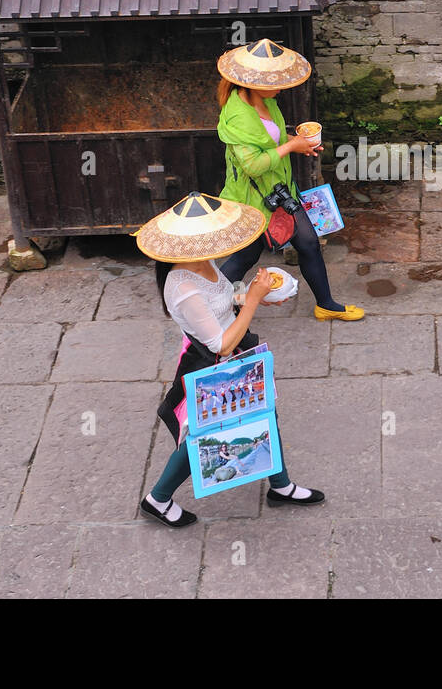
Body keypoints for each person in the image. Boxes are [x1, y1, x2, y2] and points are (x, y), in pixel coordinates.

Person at [134, 190, 325, 529]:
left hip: (237, 353)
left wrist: (255, 296)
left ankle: (281, 486)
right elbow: (220, 344)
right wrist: (252, 300)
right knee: (205, 433)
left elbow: (224, 302)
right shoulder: (182, 287)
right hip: (213, 364)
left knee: (265, 412)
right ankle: (158, 498)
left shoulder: (203, 262)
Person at [214, 37, 364, 322]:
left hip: (281, 193)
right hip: (252, 201)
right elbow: (253, 165)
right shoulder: (237, 117)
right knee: (245, 258)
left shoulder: (265, 101)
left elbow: (273, 141)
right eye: (273, 80)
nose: (280, 85)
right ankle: (214, 306)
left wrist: (300, 142)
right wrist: (291, 147)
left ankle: (326, 305)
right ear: (252, 81)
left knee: (308, 243)